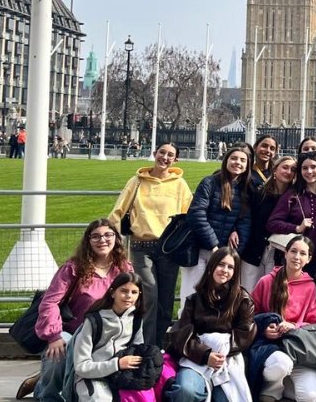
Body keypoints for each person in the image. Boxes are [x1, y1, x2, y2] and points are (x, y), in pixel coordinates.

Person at [17, 219, 133, 401]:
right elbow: (49, 302)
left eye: (107, 235)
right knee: (58, 353)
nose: (102, 240)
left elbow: (132, 301)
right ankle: (47, 393)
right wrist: (54, 336)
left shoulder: (124, 268)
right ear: (88, 241)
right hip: (72, 331)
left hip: (106, 333)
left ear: (116, 239)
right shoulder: (73, 268)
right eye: (96, 236)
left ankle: (48, 382)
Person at [107, 143, 192, 346]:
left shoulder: (180, 185)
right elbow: (118, 211)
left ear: (175, 160)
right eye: (162, 152)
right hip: (141, 246)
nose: (165, 157)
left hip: (168, 248)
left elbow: (188, 215)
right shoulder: (137, 181)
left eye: (170, 155)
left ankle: (159, 345)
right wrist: (112, 239)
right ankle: (145, 344)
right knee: (150, 295)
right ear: (154, 154)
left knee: (165, 299)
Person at [165, 247, 256, 402]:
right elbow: (182, 334)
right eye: (221, 264)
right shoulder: (194, 299)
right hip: (195, 357)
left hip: (227, 360)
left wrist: (221, 353)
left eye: (230, 267)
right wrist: (206, 355)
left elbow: (246, 333)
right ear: (212, 266)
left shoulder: (243, 300)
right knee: (186, 391)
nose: (225, 270)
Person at [250, 236, 316, 402]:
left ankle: (285, 384)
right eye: (293, 251)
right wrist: (264, 328)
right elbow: (249, 315)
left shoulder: (310, 286)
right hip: (270, 348)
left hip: (297, 348)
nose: (297, 257)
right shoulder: (266, 281)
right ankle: (272, 388)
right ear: (285, 253)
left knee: (311, 397)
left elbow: (315, 323)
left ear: (309, 259)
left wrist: (293, 325)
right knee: (281, 365)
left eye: (303, 253)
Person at [182, 146, 253, 307]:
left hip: (224, 255)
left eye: (243, 160)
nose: (238, 163)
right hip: (201, 249)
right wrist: (213, 245)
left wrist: (233, 253)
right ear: (226, 160)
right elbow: (196, 214)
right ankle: (186, 330)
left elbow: (245, 221)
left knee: (219, 298)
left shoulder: (245, 190)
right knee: (191, 296)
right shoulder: (210, 182)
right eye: (234, 158)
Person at [69, 273, 148, 402]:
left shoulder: (136, 320)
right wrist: (117, 364)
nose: (129, 296)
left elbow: (138, 350)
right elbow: (81, 366)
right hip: (92, 377)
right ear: (112, 293)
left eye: (134, 292)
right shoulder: (94, 321)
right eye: (123, 291)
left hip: (122, 376)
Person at [267, 152, 316, 275]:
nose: (309, 171)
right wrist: (296, 228)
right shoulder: (292, 195)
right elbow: (272, 223)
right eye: (304, 168)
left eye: (313, 167)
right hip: (296, 260)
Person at [246, 156, 297, 284]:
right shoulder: (260, 193)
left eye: (293, 169)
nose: (289, 172)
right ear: (275, 170)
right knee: (248, 292)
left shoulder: (296, 198)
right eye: (285, 167)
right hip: (253, 250)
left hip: (278, 253)